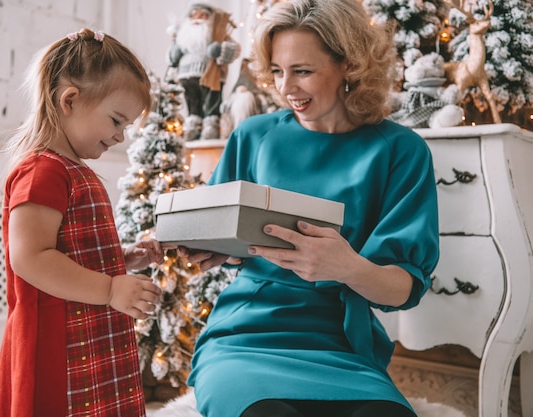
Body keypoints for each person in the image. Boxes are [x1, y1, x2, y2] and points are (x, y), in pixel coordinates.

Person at [181, 0, 440, 416]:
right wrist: (214, 247)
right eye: (278, 71)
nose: (286, 88)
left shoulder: (400, 151)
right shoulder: (253, 136)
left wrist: (347, 267)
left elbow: (406, 287)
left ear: (350, 66)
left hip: (341, 343)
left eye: (302, 71)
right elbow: (222, 229)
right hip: (247, 338)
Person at [0, 28, 164, 416]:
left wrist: (124, 258)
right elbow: (31, 258)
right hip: (58, 343)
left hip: (89, 334)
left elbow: (71, 250)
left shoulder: (73, 170)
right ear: (69, 100)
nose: (120, 136)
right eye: (117, 120)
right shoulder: (42, 172)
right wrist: (108, 289)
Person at [168, 3, 241, 140]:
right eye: (193, 15)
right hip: (186, 75)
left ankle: (211, 125)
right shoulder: (182, 36)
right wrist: (173, 54)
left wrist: (220, 50)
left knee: (211, 99)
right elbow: (171, 58)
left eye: (203, 15)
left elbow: (234, 49)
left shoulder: (217, 34)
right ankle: (193, 123)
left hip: (211, 74)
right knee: (191, 99)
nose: (197, 18)